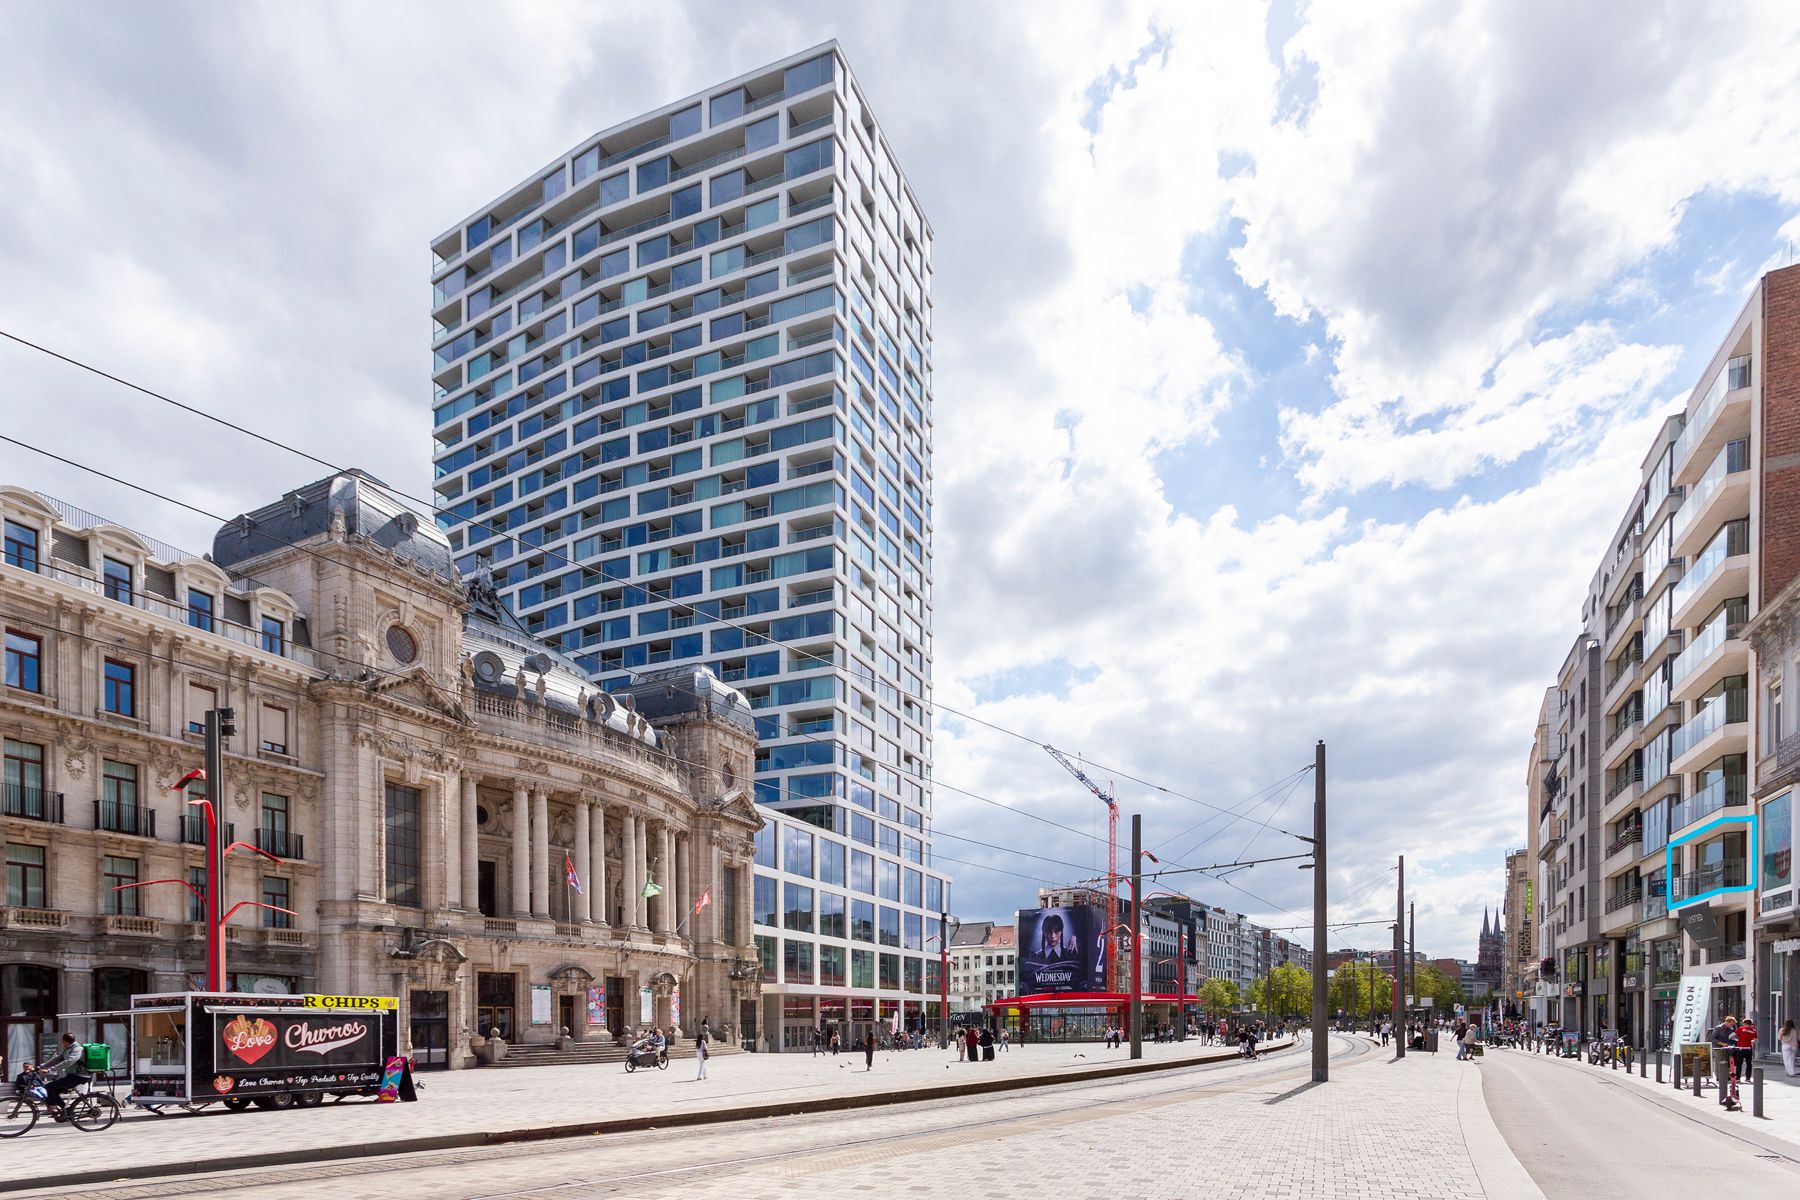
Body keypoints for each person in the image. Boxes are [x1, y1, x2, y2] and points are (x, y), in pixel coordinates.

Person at [41, 1034, 87, 1116]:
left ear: (65, 1041)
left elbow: (69, 1061)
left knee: (49, 1086)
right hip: (72, 1076)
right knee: (54, 1091)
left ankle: (53, 1107)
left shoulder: (77, 1048)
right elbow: (57, 1059)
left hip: (80, 1076)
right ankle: (67, 1111)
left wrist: (51, 1069)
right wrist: (42, 1066)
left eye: (62, 1041)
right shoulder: (68, 1049)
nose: (62, 1043)